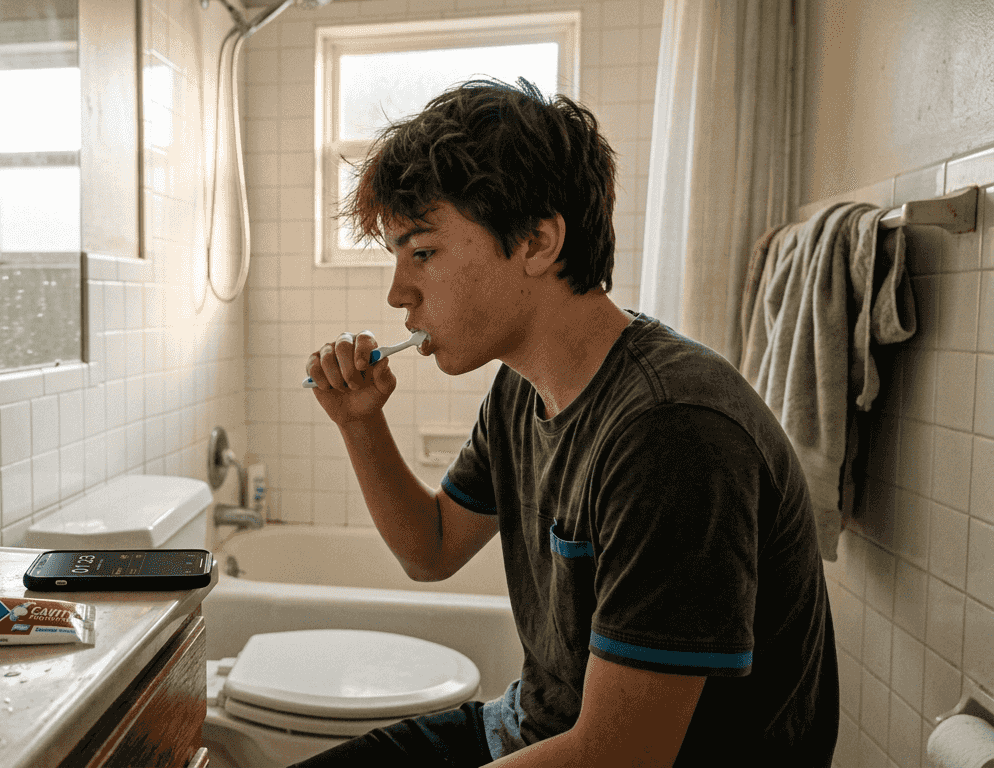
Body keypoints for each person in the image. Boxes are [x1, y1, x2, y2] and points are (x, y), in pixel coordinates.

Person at [297, 78, 838, 768]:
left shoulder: (672, 431)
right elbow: (430, 550)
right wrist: (359, 422)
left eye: (422, 253)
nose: (398, 293)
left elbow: (622, 755)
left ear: (537, 241)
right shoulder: (520, 392)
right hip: (531, 733)